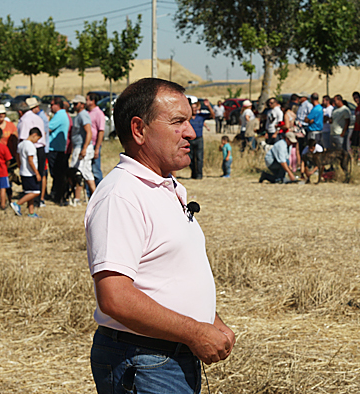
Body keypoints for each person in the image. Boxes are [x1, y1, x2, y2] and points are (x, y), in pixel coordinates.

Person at [85, 78, 235, 394]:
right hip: (144, 360)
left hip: (166, 357)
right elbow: (115, 297)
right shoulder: (122, 195)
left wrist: (210, 320)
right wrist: (195, 331)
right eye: (178, 122)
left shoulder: (163, 187)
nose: (192, 133)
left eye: (191, 121)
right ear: (139, 130)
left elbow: (167, 275)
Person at [17, 98, 46, 207]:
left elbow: (23, 138)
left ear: (20, 112)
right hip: (40, 149)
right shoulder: (38, 117)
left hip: (31, 149)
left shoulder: (25, 120)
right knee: (40, 175)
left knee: (32, 176)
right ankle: (36, 202)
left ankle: (30, 198)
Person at [11, 128, 42, 218]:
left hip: (23, 171)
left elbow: (17, 157)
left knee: (29, 192)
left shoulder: (21, 144)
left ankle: (31, 212)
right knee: (36, 192)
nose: (37, 141)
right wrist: (37, 173)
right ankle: (17, 203)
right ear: (34, 135)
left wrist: (20, 166)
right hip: (30, 173)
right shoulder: (30, 146)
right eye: (37, 139)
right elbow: (30, 160)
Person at [69, 95, 95, 203]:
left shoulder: (83, 115)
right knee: (78, 172)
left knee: (83, 172)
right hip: (79, 147)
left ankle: (94, 196)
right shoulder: (79, 115)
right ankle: (77, 198)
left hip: (82, 148)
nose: (74, 106)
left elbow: (89, 132)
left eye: (76, 104)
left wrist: (84, 148)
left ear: (82, 104)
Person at [47, 97, 70, 204]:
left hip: (55, 149)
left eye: (52, 105)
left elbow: (48, 128)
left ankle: (58, 195)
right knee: (58, 174)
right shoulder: (62, 114)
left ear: (57, 105)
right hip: (59, 148)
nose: (51, 107)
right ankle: (57, 194)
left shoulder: (59, 115)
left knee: (56, 174)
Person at [188, 96, 214, 179]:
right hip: (190, 140)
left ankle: (199, 175)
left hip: (199, 139)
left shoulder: (201, 116)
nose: (194, 109)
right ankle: (193, 173)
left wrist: (208, 106)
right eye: (193, 108)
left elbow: (212, 115)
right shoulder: (188, 118)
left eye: (195, 108)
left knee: (199, 158)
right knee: (190, 158)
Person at [87, 92, 106, 188]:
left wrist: (97, 148)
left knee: (96, 170)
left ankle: (99, 189)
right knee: (87, 170)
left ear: (93, 101)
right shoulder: (88, 113)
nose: (86, 102)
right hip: (88, 145)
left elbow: (101, 131)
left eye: (87, 99)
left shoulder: (98, 113)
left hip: (94, 145)